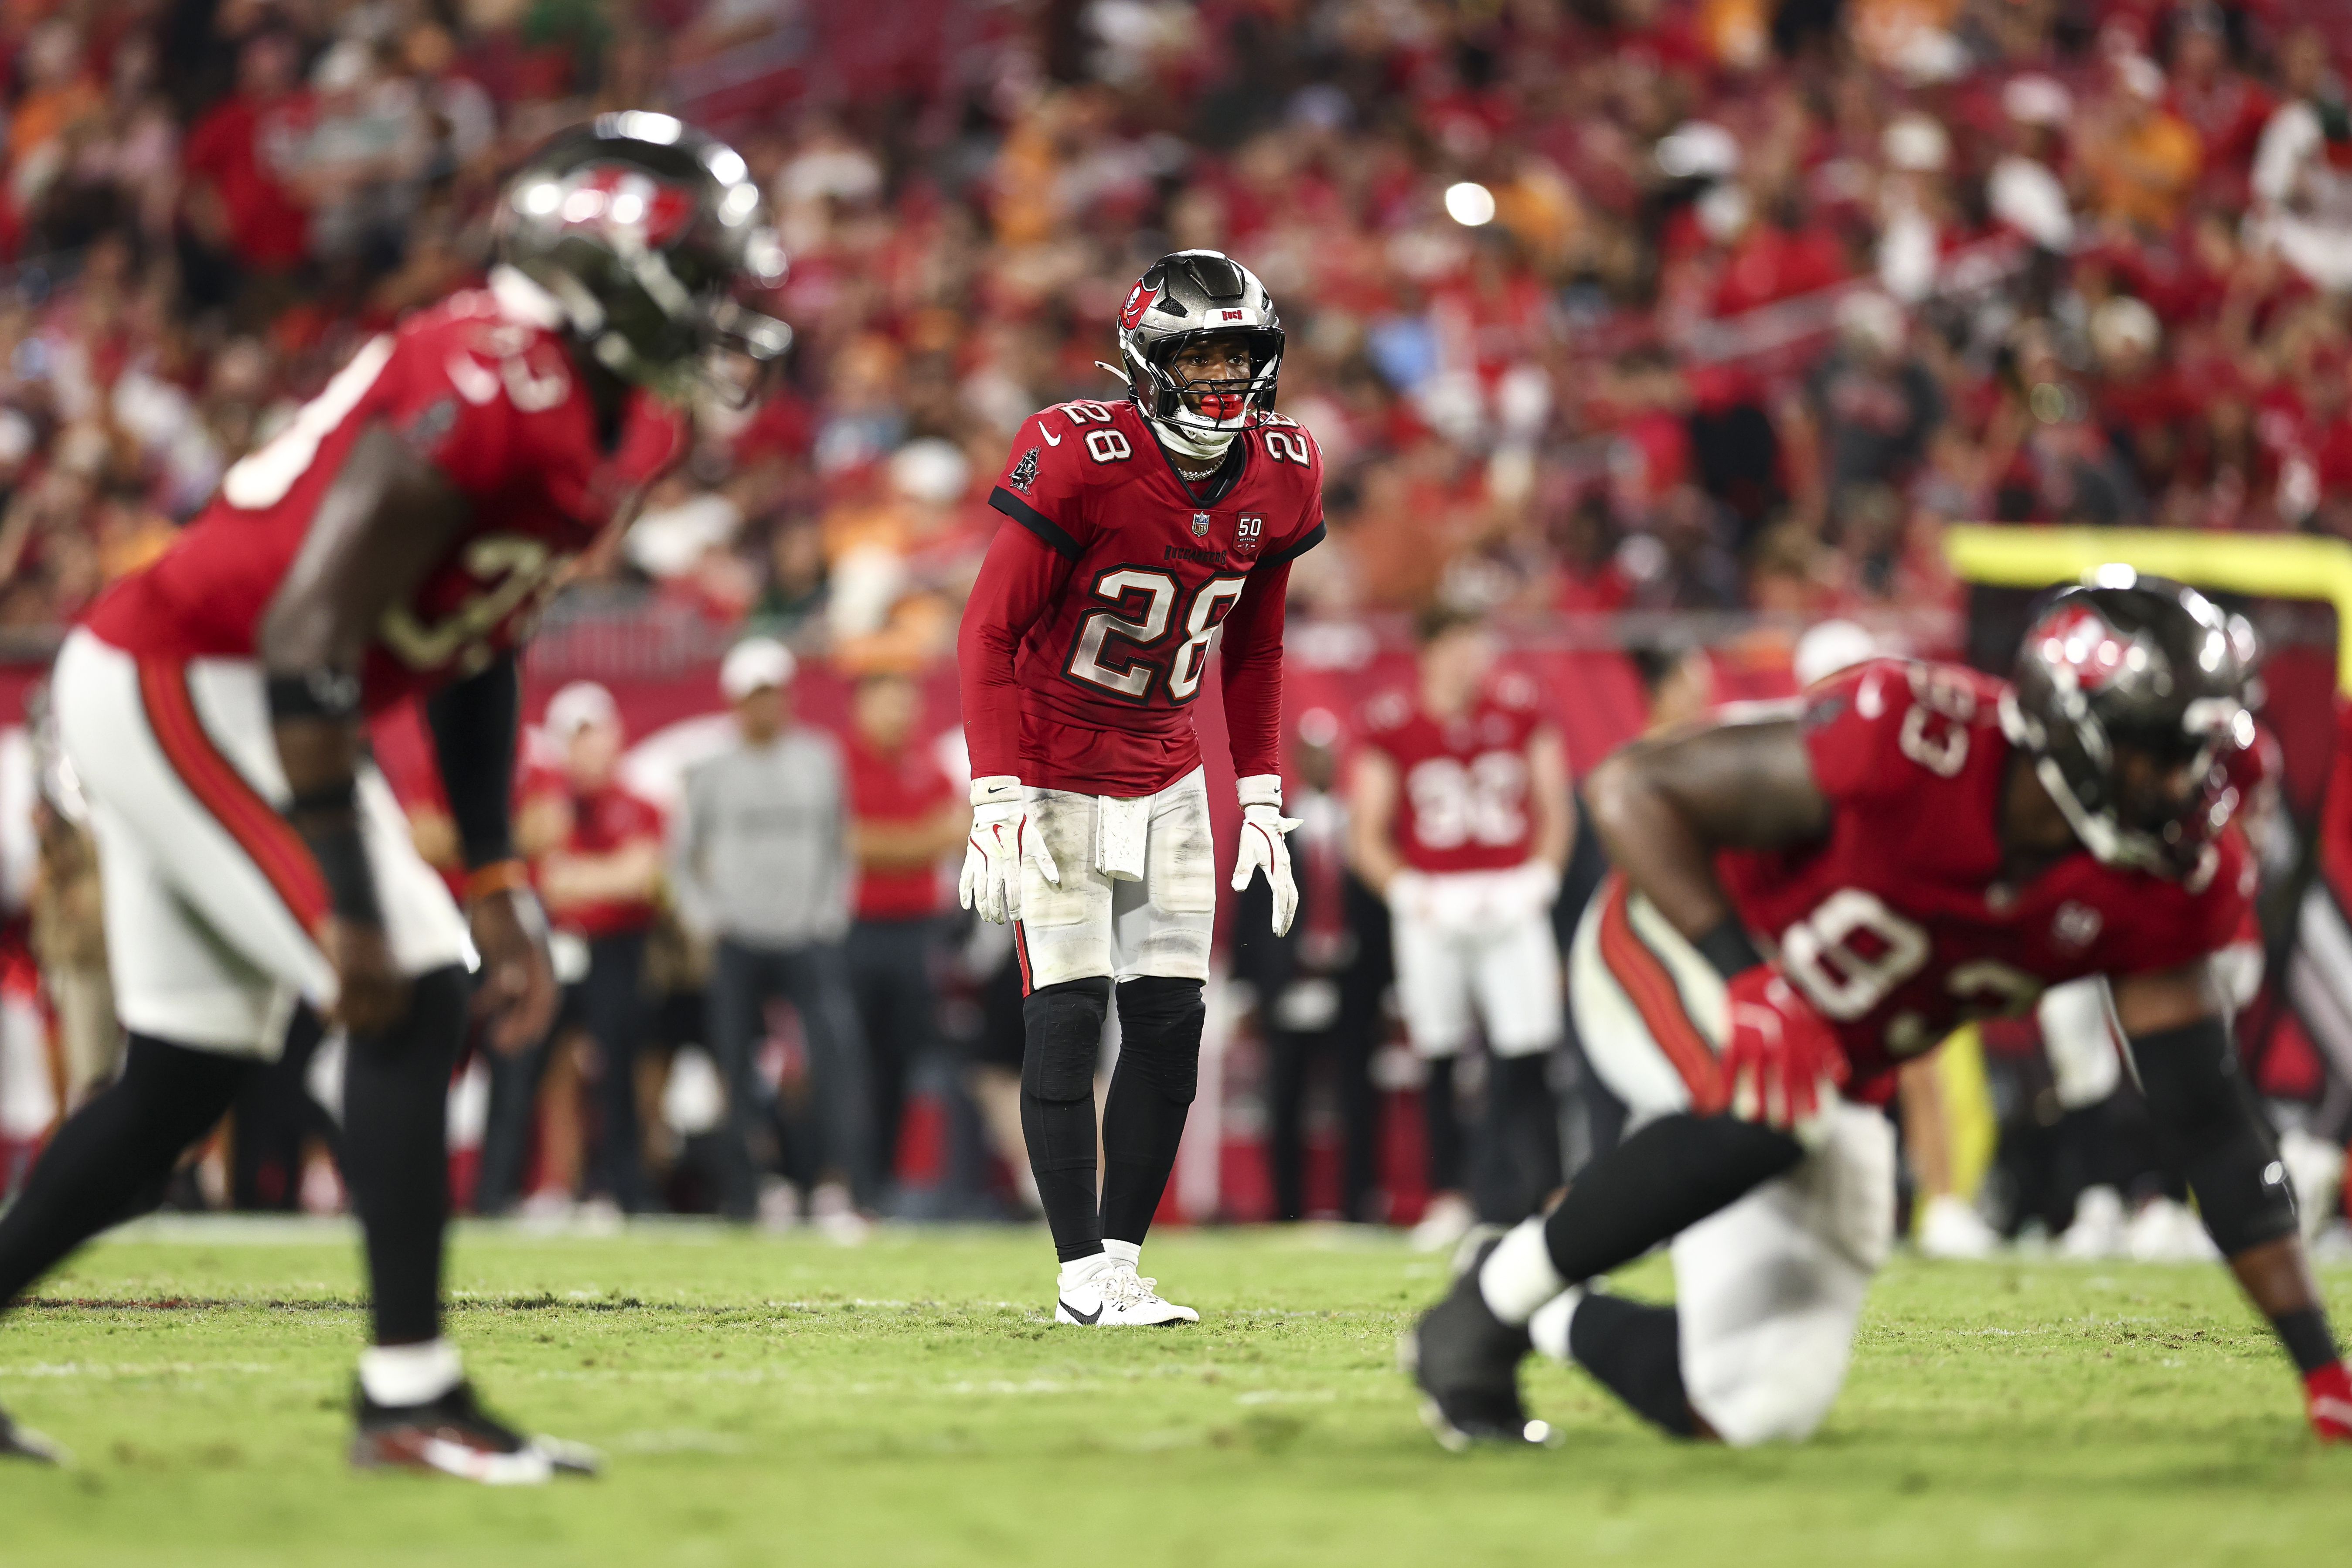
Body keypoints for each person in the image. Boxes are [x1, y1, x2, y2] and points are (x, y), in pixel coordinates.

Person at [0, 114, 790, 1477]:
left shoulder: (627, 411)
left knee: (182, 1079)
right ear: (608, 260)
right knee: (411, 984)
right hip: (196, 670)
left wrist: (496, 876)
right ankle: (408, 1392)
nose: (726, 304)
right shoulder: (484, 373)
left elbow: (489, 629)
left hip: (261, 688)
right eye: (703, 269)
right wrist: (363, 908)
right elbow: (310, 630)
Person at [1407, 575, 2352, 1449]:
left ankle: (1530, 1299)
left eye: (2201, 750)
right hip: (1674, 947)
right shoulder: (1912, 741)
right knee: (1783, 1092)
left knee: (1751, 1406)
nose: (2191, 786)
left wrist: (2322, 1368)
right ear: (2074, 728)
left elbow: (2211, 1129)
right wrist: (1751, 980)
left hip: (1831, 1055)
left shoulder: (2157, 887)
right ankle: (1476, 1322)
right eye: (2165, 753)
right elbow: (1632, 788)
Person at [957, 248, 1324, 1325]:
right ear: (1146, 361)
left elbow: (1254, 646)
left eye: (1237, 355)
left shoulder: (1284, 466)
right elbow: (988, 628)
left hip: (1169, 767)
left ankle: (1119, 1258)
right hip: (1053, 765)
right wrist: (995, 795)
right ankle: (1078, 1276)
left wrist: (1258, 790)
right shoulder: (1081, 451)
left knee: (1169, 1025)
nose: (1221, 380)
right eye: (1198, 354)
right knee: (1066, 1018)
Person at [1348, 604, 1574, 1251]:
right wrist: (1408, 889)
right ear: (1426, 651)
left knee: (1527, 1047)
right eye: (1453, 646)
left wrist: (1541, 878)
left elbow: (1555, 809)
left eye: (1474, 646)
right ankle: (1448, 1195)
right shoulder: (1392, 723)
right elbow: (1367, 834)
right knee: (1437, 1050)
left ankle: (1543, 1191)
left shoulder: (1521, 711)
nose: (1467, 661)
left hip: (1508, 892)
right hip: (1434, 902)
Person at [670, 637, 870, 1231]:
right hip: (736, 939)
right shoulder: (710, 770)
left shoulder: (818, 759)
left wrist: (830, 910)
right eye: (755, 696)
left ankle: (833, 1185)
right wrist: (705, 918)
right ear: (736, 701)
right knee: (734, 1066)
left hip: (805, 936)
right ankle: (746, 1192)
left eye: (775, 694)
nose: (766, 707)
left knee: (830, 1062)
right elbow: (681, 856)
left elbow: (842, 842)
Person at [477, 681, 664, 1216]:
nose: (589, 750)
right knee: (527, 1070)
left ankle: (625, 1193)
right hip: (548, 948)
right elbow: (546, 877)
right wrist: (601, 876)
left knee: (618, 1069)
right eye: (577, 739)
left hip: (615, 950)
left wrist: (581, 878)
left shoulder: (638, 802)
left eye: (595, 735)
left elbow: (639, 877)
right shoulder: (544, 801)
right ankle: (518, 1192)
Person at [1230, 707, 1389, 1224]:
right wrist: (1247, 985)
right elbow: (1249, 910)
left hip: (1350, 978)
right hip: (1290, 981)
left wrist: (1391, 985)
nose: (1322, 763)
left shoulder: (1360, 825)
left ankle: (1358, 1204)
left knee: (1357, 1096)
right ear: (1299, 759)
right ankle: (1286, 1208)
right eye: (1313, 754)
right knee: (1286, 1098)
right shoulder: (1270, 827)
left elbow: (1378, 911)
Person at [841, 669, 967, 1211]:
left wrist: (888, 843)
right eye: (886, 700)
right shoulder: (839, 766)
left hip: (916, 930)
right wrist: (919, 840)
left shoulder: (926, 764)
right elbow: (846, 842)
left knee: (900, 1059)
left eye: (905, 701)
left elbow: (959, 828)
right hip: (852, 927)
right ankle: (837, 1179)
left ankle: (878, 1187)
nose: (899, 713)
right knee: (846, 1059)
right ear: (860, 708)